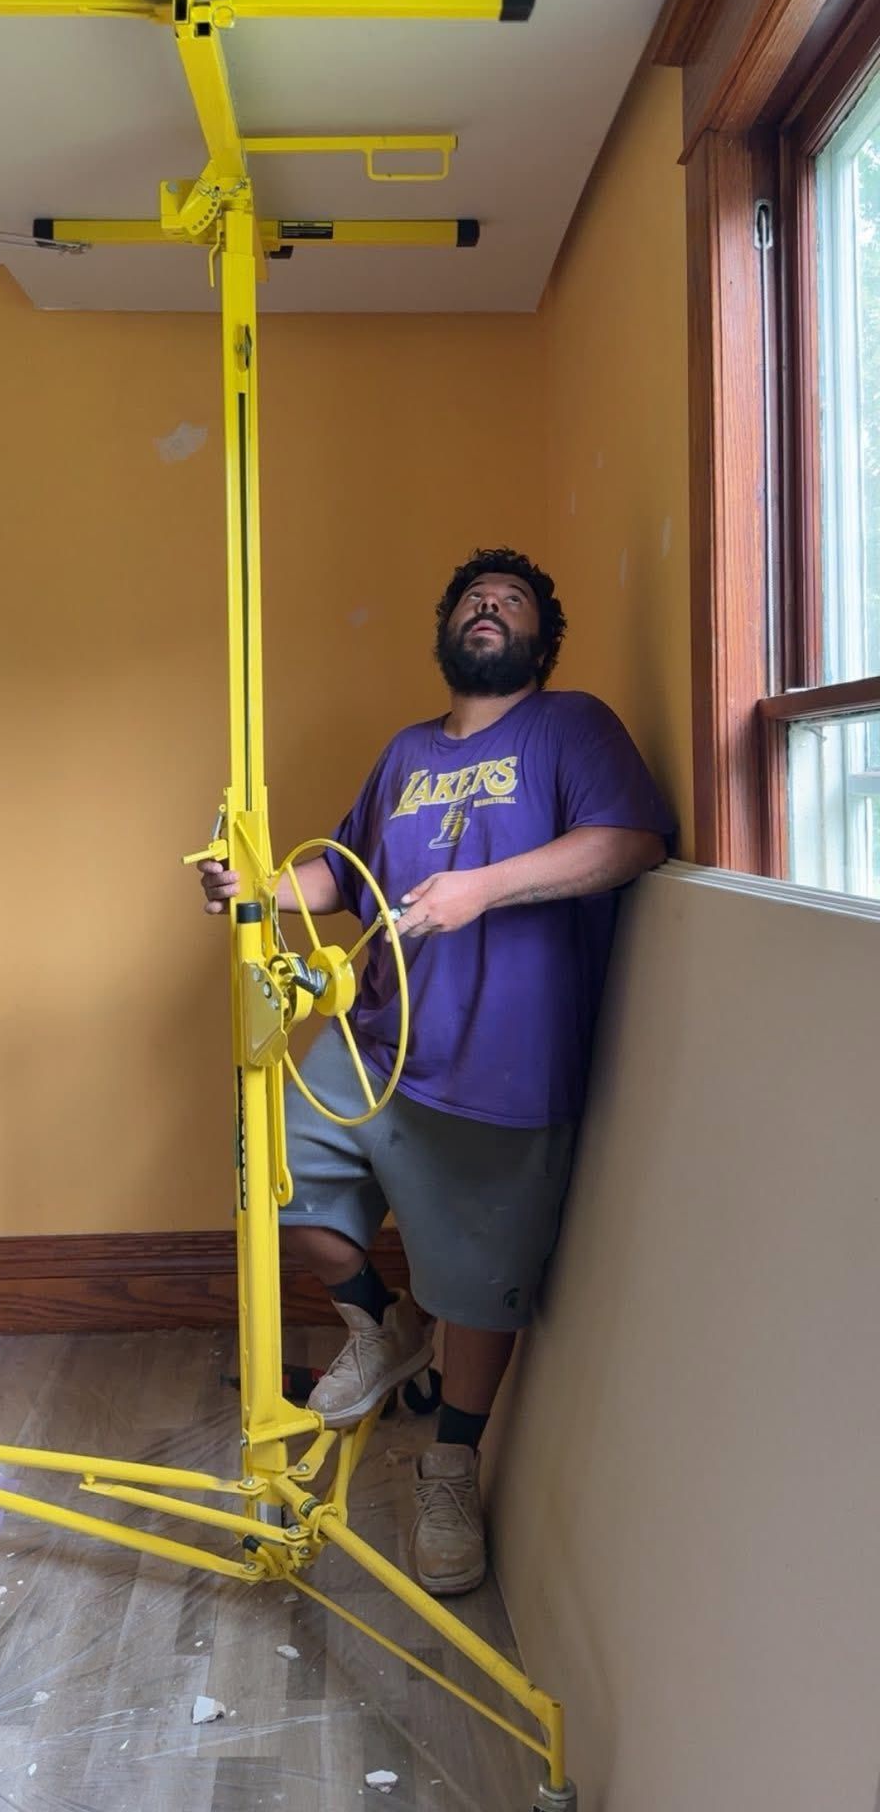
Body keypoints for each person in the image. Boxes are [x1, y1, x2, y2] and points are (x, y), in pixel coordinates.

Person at [198, 547, 673, 1597]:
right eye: (473, 598)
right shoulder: (407, 750)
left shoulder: (572, 725)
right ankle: (384, 1321)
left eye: (510, 603)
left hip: (503, 1062)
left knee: (479, 1287)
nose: (489, 609)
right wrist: (263, 885)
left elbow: (631, 840)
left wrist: (483, 887)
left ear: (541, 639)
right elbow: (346, 866)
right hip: (373, 1042)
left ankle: (450, 1460)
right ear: (447, 628)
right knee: (273, 1178)